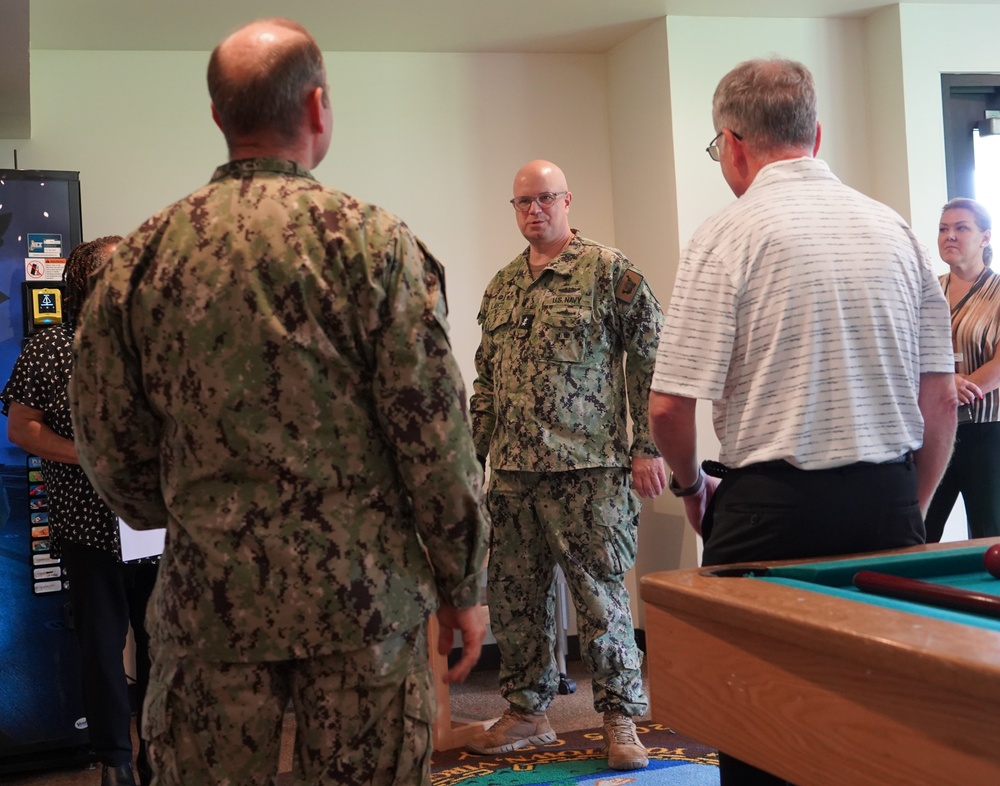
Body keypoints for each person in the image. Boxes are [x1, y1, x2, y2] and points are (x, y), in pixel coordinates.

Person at [68, 18, 489, 786]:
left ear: (220, 116)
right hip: (366, 608)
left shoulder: (142, 258)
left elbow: (105, 437)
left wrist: (180, 512)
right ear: (319, 107)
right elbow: (435, 437)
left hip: (210, 607)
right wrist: (464, 582)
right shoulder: (375, 245)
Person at [648, 58, 957, 786]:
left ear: (732, 144)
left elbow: (668, 408)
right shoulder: (899, 232)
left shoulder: (725, 234)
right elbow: (940, 402)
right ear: (815, 135)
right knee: (885, 724)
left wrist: (693, 490)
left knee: (759, 729)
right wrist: (905, 505)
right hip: (884, 503)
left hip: (767, 514)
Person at [466, 160, 666, 771]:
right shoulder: (502, 287)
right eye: (523, 202)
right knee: (516, 598)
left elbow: (651, 360)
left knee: (600, 599)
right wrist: (470, 458)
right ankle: (529, 713)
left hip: (590, 470)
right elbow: (486, 381)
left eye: (545, 198)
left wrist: (646, 447)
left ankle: (620, 720)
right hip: (515, 474)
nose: (534, 211)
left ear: (567, 200)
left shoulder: (609, 272)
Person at [2, 237, 159, 786]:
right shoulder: (49, 349)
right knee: (101, 643)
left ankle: (159, 754)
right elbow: (22, 428)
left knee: (162, 641)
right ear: (85, 284)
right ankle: (115, 759)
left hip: (159, 525)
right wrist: (90, 457)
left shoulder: (157, 341)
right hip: (88, 523)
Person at [925, 198, 1000, 541]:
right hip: (932, 429)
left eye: (960, 228)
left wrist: (961, 387)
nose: (949, 236)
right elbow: (907, 349)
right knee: (919, 530)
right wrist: (944, 384)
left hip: (986, 432)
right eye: (943, 229)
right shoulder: (926, 290)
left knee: (988, 533)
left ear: (985, 238)